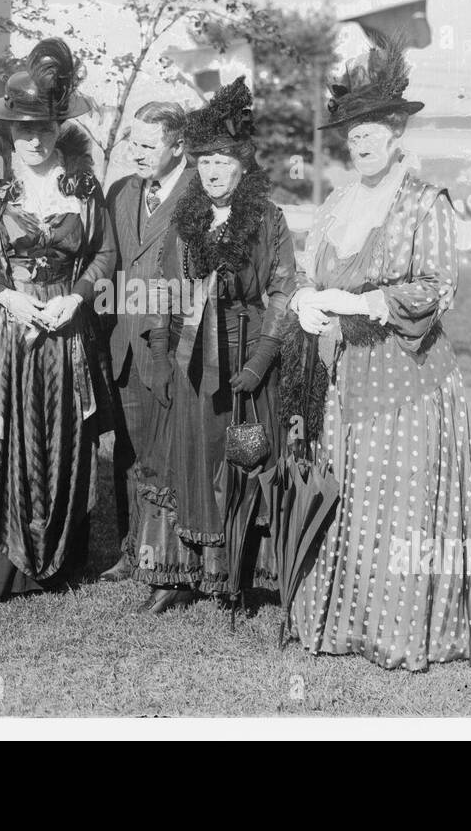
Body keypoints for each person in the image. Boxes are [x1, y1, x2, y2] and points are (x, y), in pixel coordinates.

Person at [286, 41, 471, 669]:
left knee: (397, 504)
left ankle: (397, 633)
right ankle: (343, 623)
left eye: (374, 127)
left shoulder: (425, 203)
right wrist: (304, 302)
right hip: (345, 372)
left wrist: (358, 304)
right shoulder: (338, 203)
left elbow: (434, 290)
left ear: (398, 131)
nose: (362, 140)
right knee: (351, 494)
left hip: (410, 376)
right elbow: (305, 273)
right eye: (353, 130)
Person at [0, 38, 116, 599]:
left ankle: (53, 558)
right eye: (22, 129)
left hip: (63, 330)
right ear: (8, 129)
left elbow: (104, 253)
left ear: (60, 127)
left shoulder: (83, 184)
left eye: (44, 129)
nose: (32, 140)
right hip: (2, 330)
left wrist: (77, 297)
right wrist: (5, 297)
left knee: (58, 434)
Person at [132, 78, 296, 615]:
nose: (213, 172)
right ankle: (180, 576)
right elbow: (164, 288)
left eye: (223, 162)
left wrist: (262, 358)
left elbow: (281, 291)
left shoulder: (268, 221)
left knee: (238, 462)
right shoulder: (187, 219)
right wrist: (159, 349)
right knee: (186, 463)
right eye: (205, 163)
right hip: (188, 360)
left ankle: (238, 575)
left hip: (244, 359)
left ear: (243, 165)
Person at [99, 101, 192, 583]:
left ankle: (171, 555)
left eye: (147, 144)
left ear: (178, 147)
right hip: (123, 345)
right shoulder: (119, 191)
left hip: (173, 348)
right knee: (129, 452)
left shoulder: (201, 195)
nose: (135, 152)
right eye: (131, 141)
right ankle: (130, 550)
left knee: (169, 454)